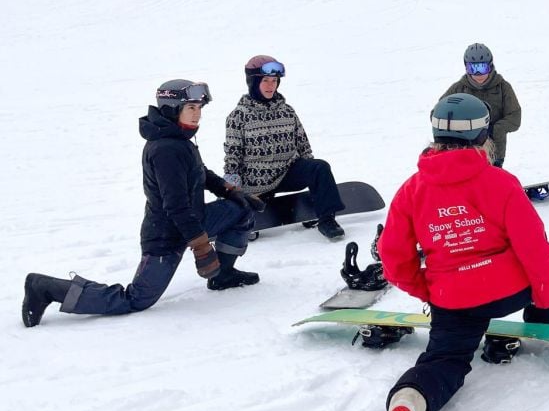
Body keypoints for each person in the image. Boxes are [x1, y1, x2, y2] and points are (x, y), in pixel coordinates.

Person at [375, 93, 549, 411]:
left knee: (446, 360)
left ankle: (412, 398)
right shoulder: (501, 182)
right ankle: (542, 318)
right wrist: (548, 302)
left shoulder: (412, 189)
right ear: (483, 135)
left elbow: (394, 257)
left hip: (455, 300)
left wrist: (429, 290)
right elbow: (534, 248)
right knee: (539, 284)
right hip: (509, 292)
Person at [21, 80, 263, 327]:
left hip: (193, 221)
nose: (197, 114)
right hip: (166, 236)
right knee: (135, 300)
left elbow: (200, 172)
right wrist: (201, 246)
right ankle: (45, 288)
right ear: (171, 108)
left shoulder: (179, 139)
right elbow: (175, 206)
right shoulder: (166, 149)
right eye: (191, 107)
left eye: (199, 108)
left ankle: (223, 275)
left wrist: (231, 191)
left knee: (240, 210)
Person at [223, 55, 345, 240]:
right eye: (265, 80)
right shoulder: (238, 116)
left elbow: (303, 144)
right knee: (249, 215)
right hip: (256, 183)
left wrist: (315, 180)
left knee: (319, 167)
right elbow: (233, 155)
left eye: (274, 81)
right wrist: (233, 190)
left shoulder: (287, 111)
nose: (271, 86)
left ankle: (327, 219)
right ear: (253, 82)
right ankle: (246, 215)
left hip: (286, 173)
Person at [440, 43, 521, 168]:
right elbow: (438, 114)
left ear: (490, 65)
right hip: (465, 151)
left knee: (492, 177)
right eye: (473, 69)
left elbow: (515, 117)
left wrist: (496, 130)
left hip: (494, 152)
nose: (478, 74)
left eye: (482, 68)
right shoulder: (459, 88)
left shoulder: (502, 87)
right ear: (466, 68)